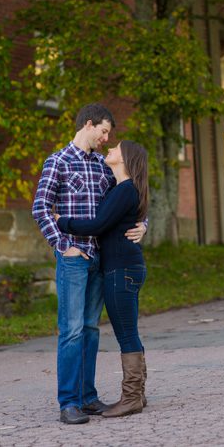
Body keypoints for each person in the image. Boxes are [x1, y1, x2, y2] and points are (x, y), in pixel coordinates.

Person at [32, 103, 146, 425]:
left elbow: (129, 194)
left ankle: (87, 396)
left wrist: (145, 224)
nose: (107, 139)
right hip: (73, 260)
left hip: (100, 259)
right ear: (89, 124)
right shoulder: (58, 162)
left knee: (92, 330)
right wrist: (63, 246)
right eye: (104, 131)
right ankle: (68, 402)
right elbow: (41, 208)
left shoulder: (101, 166)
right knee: (71, 331)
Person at [56, 140, 149, 418]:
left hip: (121, 270)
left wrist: (62, 221)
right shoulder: (119, 187)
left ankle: (131, 397)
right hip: (124, 268)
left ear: (125, 158)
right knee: (128, 331)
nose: (109, 146)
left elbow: (97, 225)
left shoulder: (124, 190)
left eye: (116, 146)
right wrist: (143, 223)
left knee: (126, 333)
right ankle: (138, 394)